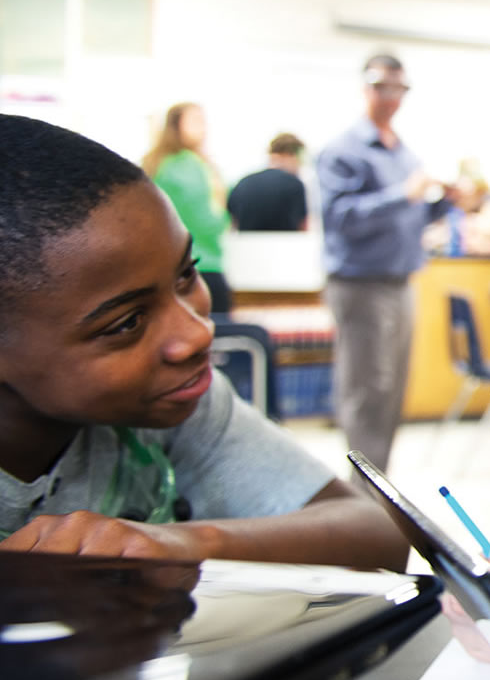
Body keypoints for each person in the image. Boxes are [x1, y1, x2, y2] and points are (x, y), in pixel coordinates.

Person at [0, 114, 407, 569]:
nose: (198, 333)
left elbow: (376, 532)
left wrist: (184, 542)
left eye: (185, 274)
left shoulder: (171, 402)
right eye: (126, 323)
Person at [319, 53, 457, 473]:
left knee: (394, 389)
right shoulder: (342, 151)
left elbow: (411, 216)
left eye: (399, 88)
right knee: (367, 389)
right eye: (382, 87)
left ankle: (379, 482)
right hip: (360, 284)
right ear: (366, 88)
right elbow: (340, 219)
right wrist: (404, 194)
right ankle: (364, 491)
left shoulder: (403, 152)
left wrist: (444, 203)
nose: (391, 97)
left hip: (400, 282)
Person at [141, 102, 231, 314]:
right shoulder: (193, 166)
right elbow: (210, 222)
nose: (204, 128)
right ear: (177, 125)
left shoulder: (153, 164)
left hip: (161, 270)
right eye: (197, 121)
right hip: (202, 267)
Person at [226, 132, 309, 232]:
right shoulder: (295, 185)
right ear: (291, 155)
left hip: (246, 246)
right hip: (285, 246)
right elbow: (303, 227)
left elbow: (231, 223)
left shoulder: (243, 183)